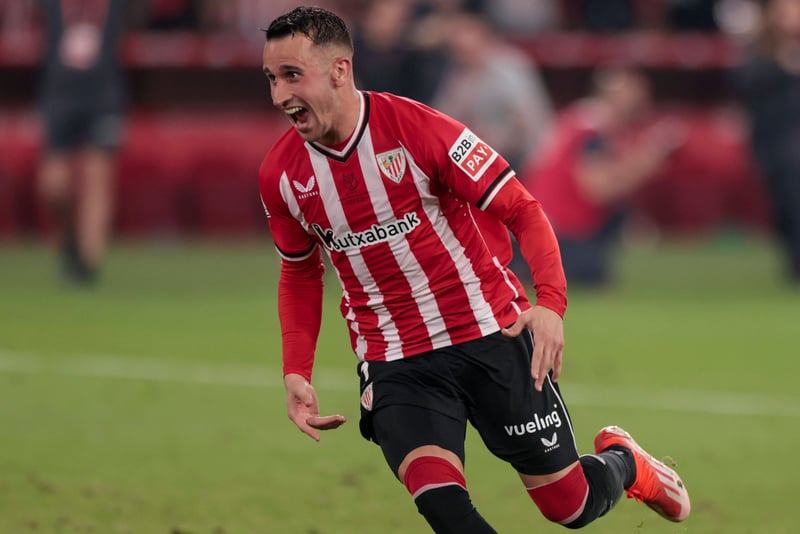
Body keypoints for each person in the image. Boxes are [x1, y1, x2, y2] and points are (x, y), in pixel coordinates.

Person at [258, 7, 690, 533]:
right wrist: (296, 370)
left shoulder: (421, 129)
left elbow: (522, 208)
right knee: (443, 506)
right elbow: (300, 273)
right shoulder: (281, 174)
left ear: (339, 70)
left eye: (292, 75)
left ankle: (626, 462)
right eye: (272, 78)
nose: (280, 95)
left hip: (490, 331)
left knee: (570, 506)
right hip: (395, 358)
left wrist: (550, 306)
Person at [523, 67, 683, 287]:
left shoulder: (582, 118)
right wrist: (647, 162)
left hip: (539, 226)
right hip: (559, 230)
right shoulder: (592, 128)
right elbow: (597, 189)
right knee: (594, 272)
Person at [36, 0, 128, 285]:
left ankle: (89, 263)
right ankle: (70, 243)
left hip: (104, 96)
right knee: (54, 187)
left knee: (97, 178)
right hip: (60, 95)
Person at [734, 0, 800, 283]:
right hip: (773, 146)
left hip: (793, 149)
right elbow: (744, 82)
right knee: (783, 207)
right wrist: (781, 66)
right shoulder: (761, 50)